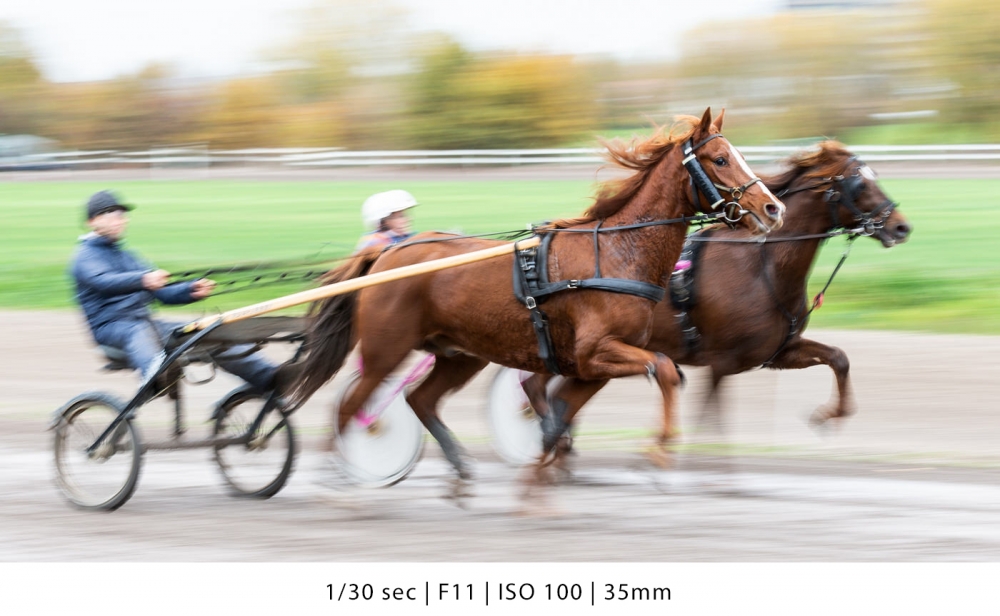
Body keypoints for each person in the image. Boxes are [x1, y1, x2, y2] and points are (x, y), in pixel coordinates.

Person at [70, 189, 284, 394]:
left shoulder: (129, 256)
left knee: (209, 331)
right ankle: (155, 378)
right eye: (111, 214)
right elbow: (103, 281)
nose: (120, 219)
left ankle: (269, 376)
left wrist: (190, 290)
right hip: (112, 328)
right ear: (92, 222)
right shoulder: (84, 256)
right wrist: (143, 279)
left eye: (121, 214)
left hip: (147, 323)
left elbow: (162, 292)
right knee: (138, 332)